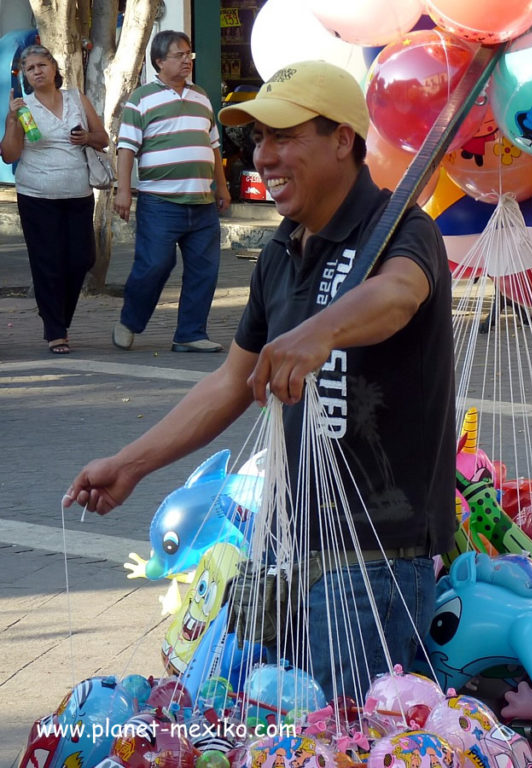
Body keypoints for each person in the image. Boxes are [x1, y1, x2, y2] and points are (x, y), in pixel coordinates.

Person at [64, 60, 456, 701]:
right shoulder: (279, 252)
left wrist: (321, 331)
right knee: (292, 726)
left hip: (376, 559)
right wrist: (131, 464)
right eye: (258, 141)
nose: (265, 157)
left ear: (343, 140)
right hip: (293, 551)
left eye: (285, 136)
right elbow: (229, 381)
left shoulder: (399, 230)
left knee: (354, 737)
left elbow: (400, 295)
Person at [111, 30, 231, 353]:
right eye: (179, 55)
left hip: (202, 201)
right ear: (159, 61)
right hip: (159, 202)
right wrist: (124, 191)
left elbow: (214, 146)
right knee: (155, 264)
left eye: (188, 54)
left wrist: (222, 186)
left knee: (205, 270)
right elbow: (126, 149)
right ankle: (129, 321)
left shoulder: (201, 96)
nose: (186, 60)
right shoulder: (141, 98)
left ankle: (190, 333)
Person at [0, 44, 108, 354]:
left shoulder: (76, 98)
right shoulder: (24, 108)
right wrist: (11, 121)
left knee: (82, 258)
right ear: (25, 76)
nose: (37, 71)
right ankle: (55, 330)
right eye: (30, 68)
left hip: (78, 193)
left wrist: (86, 137)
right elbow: (10, 155)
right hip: (36, 194)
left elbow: (103, 138)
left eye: (41, 65)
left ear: (54, 68)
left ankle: (57, 314)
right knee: (47, 262)